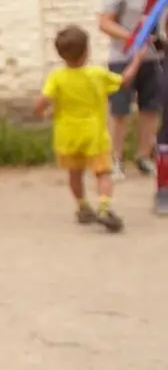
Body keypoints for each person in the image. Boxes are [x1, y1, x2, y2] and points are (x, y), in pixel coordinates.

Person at [34, 25, 147, 233]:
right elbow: (124, 81)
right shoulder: (97, 74)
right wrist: (137, 60)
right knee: (103, 173)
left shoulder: (56, 78)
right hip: (94, 135)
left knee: (74, 174)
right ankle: (104, 207)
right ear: (87, 51)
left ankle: (82, 207)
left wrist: (44, 113)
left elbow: (42, 101)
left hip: (67, 136)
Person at [98, 0, 168, 180]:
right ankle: (115, 159)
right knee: (119, 110)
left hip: (153, 58)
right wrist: (133, 38)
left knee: (150, 109)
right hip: (122, 58)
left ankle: (143, 156)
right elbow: (105, 22)